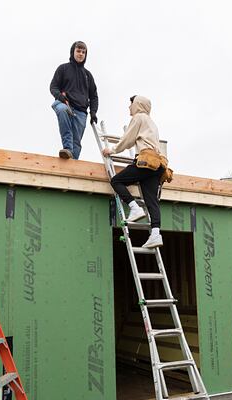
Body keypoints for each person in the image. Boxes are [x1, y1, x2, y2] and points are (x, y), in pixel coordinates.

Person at [102, 95, 167, 249]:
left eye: (131, 104)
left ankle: (134, 208)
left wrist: (111, 150)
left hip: (145, 160)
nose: (129, 107)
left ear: (137, 105)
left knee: (116, 181)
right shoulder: (152, 123)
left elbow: (128, 140)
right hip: (157, 165)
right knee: (152, 201)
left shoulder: (139, 117)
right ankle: (156, 233)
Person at [49, 40, 98, 160]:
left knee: (76, 142)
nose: (81, 54)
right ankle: (67, 148)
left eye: (83, 52)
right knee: (61, 109)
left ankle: (72, 162)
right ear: (73, 52)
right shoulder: (63, 68)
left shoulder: (88, 75)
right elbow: (53, 87)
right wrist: (60, 97)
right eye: (78, 51)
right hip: (66, 104)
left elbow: (94, 96)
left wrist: (93, 112)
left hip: (81, 112)